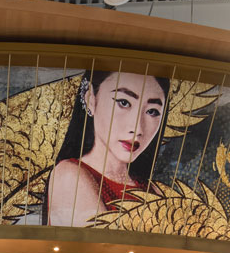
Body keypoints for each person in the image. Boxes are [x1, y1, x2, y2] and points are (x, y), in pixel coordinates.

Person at [43, 70, 168, 227]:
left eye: (152, 111)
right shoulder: (69, 176)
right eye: (124, 102)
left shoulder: (151, 189)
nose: (137, 128)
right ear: (90, 99)